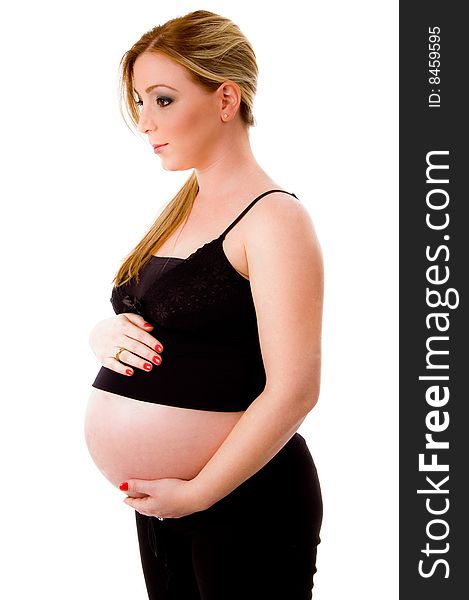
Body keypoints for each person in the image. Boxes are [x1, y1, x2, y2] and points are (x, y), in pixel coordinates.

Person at [87, 9, 324, 600]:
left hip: (245, 502)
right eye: (140, 102)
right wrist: (103, 334)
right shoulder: (180, 211)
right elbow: (167, 321)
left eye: (162, 100)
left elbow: (295, 389)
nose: (145, 122)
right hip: (165, 506)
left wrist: (196, 495)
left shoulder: (275, 219)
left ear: (226, 99)